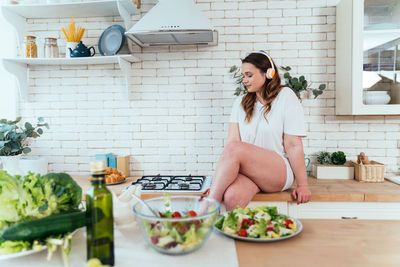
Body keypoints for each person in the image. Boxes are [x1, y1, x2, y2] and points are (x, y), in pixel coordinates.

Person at [208, 51, 311, 210]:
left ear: (268, 73)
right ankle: (235, 232)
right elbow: (232, 144)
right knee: (231, 197)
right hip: (251, 172)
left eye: (249, 75)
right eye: (243, 76)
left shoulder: (286, 96)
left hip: (278, 171)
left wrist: (303, 185)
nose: (245, 80)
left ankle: (207, 207)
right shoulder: (240, 102)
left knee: (234, 149)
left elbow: (293, 145)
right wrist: (218, 185)